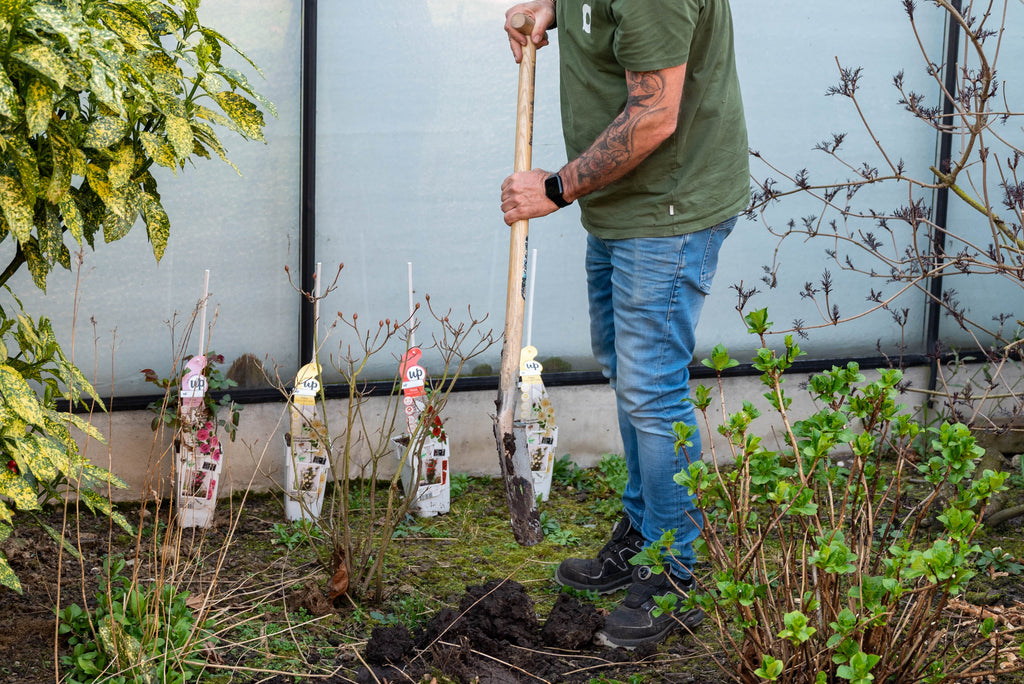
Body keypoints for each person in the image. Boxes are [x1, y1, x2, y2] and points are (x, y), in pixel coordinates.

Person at [500, 0, 749, 649]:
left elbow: (654, 114)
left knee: (650, 385)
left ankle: (675, 570)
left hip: (667, 211)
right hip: (622, 205)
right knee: (625, 367)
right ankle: (644, 531)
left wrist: (554, 188)